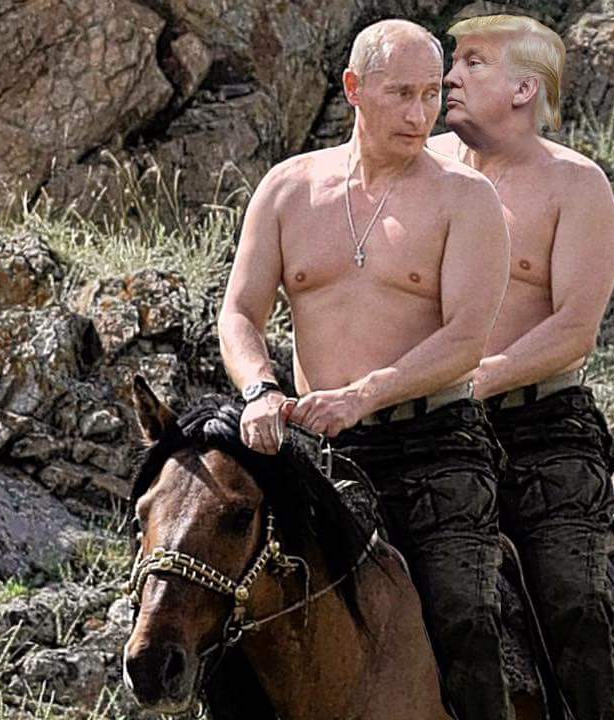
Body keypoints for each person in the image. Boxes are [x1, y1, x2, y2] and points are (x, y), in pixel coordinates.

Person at [217, 19, 514, 720]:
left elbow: (465, 339)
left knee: (464, 614)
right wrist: (260, 390)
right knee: (231, 612)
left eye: (432, 95)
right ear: (354, 88)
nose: (420, 113)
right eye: (401, 93)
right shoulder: (288, 189)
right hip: (317, 451)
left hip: (434, 447)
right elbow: (239, 313)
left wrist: (364, 393)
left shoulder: (466, 198)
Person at [428, 14, 614, 720]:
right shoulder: (422, 167)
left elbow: (574, 330)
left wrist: (472, 379)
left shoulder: (574, 184)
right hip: (418, 431)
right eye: (454, 60)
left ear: (523, 89)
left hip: (540, 427)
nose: (450, 77)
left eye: (473, 63)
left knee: (573, 598)